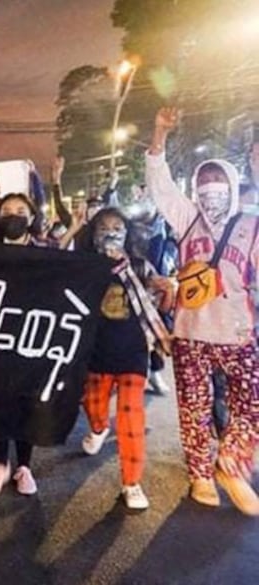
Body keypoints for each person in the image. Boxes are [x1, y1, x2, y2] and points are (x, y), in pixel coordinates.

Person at [146, 107, 259, 516]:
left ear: (232, 184)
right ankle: (200, 475)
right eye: (204, 180)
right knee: (193, 409)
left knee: (251, 406)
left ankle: (232, 467)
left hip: (238, 334)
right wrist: (159, 135)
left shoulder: (251, 225)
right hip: (191, 334)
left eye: (217, 179)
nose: (211, 186)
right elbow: (159, 186)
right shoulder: (186, 219)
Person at [0, 193, 84, 497]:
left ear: (31, 216)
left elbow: (62, 263)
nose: (13, 215)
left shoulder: (43, 248)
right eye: (7, 210)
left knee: (27, 403)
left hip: (33, 338)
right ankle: (0, 462)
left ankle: (23, 466)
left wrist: (74, 230)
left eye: (20, 210)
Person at [79, 207, 173, 510]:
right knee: (93, 407)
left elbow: (161, 303)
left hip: (133, 352)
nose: (111, 232)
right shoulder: (84, 266)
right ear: (93, 233)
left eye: (118, 226)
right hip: (95, 353)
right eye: (103, 226)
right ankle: (97, 428)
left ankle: (132, 483)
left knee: (131, 418)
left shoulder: (140, 266)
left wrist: (167, 289)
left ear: (127, 231)